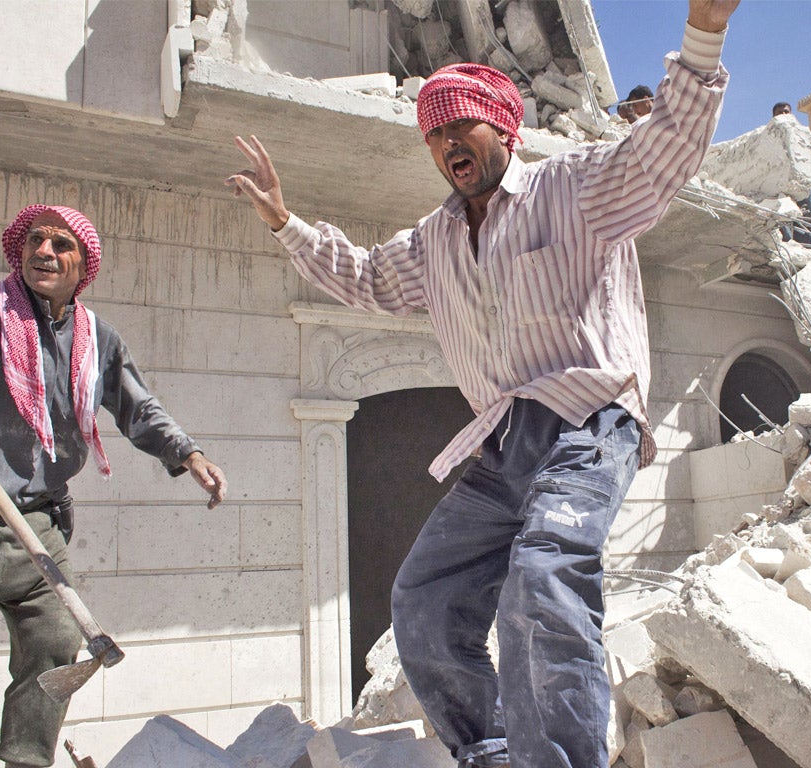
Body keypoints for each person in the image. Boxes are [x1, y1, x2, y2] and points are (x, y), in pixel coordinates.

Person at [226, 2, 737, 765]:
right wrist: (286, 225)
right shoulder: (434, 242)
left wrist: (703, 33)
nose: (445, 144)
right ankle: (490, 751)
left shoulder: (575, 191)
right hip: (505, 444)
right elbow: (366, 278)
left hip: (589, 424)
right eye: (433, 133)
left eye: (460, 125)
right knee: (424, 602)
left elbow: (662, 153)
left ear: (505, 128)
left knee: (543, 578)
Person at [0, 204, 228, 768]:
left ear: (83, 266)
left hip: (35, 526)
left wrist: (188, 453)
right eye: (36, 240)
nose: (45, 252)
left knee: (57, 647)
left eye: (62, 245)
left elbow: (138, 406)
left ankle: (27, 761)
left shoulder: (96, 340)